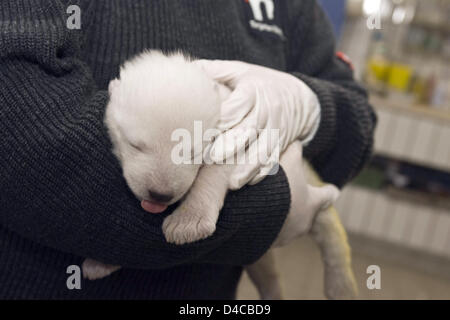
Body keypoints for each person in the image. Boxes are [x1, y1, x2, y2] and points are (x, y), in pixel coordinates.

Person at [0, 0, 376, 299]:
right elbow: (25, 145)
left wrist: (312, 107)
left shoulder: (290, 8)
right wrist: (269, 206)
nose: (164, 184)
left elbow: (358, 123)